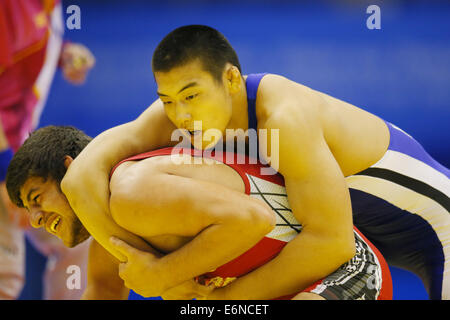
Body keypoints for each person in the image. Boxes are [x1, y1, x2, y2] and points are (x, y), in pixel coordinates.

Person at [59, 25, 449, 300]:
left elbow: (331, 243)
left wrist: (197, 289)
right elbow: (80, 178)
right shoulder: (177, 113)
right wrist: (140, 262)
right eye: (167, 99)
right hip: (368, 238)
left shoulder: (283, 118)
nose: (179, 115)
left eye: (191, 96)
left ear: (230, 80)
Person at [6, 125, 392, 300]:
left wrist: (163, 276)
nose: (36, 219)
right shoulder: (110, 227)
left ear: (72, 169)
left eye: (37, 197)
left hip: (345, 269)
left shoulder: (130, 190)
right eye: (28, 210)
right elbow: (104, 291)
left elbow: (254, 220)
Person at [0, 0, 95, 299]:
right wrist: (5, 175)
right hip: (3, 155)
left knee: (78, 236)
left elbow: (23, 47)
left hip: (14, 149)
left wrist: (62, 52)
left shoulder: (49, 5)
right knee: (5, 275)